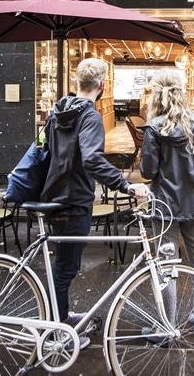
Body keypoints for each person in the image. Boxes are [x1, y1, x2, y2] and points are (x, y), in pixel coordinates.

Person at [40, 58, 149, 349]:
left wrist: (90, 181)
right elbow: (90, 158)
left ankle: (60, 317)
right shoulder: (89, 115)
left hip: (56, 195)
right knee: (64, 269)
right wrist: (125, 184)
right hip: (73, 199)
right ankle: (55, 333)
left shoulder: (58, 111)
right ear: (102, 86)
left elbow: (53, 153)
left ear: (77, 83)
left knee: (64, 265)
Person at [139, 70, 194, 337]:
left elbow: (148, 171)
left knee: (166, 265)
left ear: (156, 95)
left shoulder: (154, 127)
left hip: (165, 207)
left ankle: (166, 326)